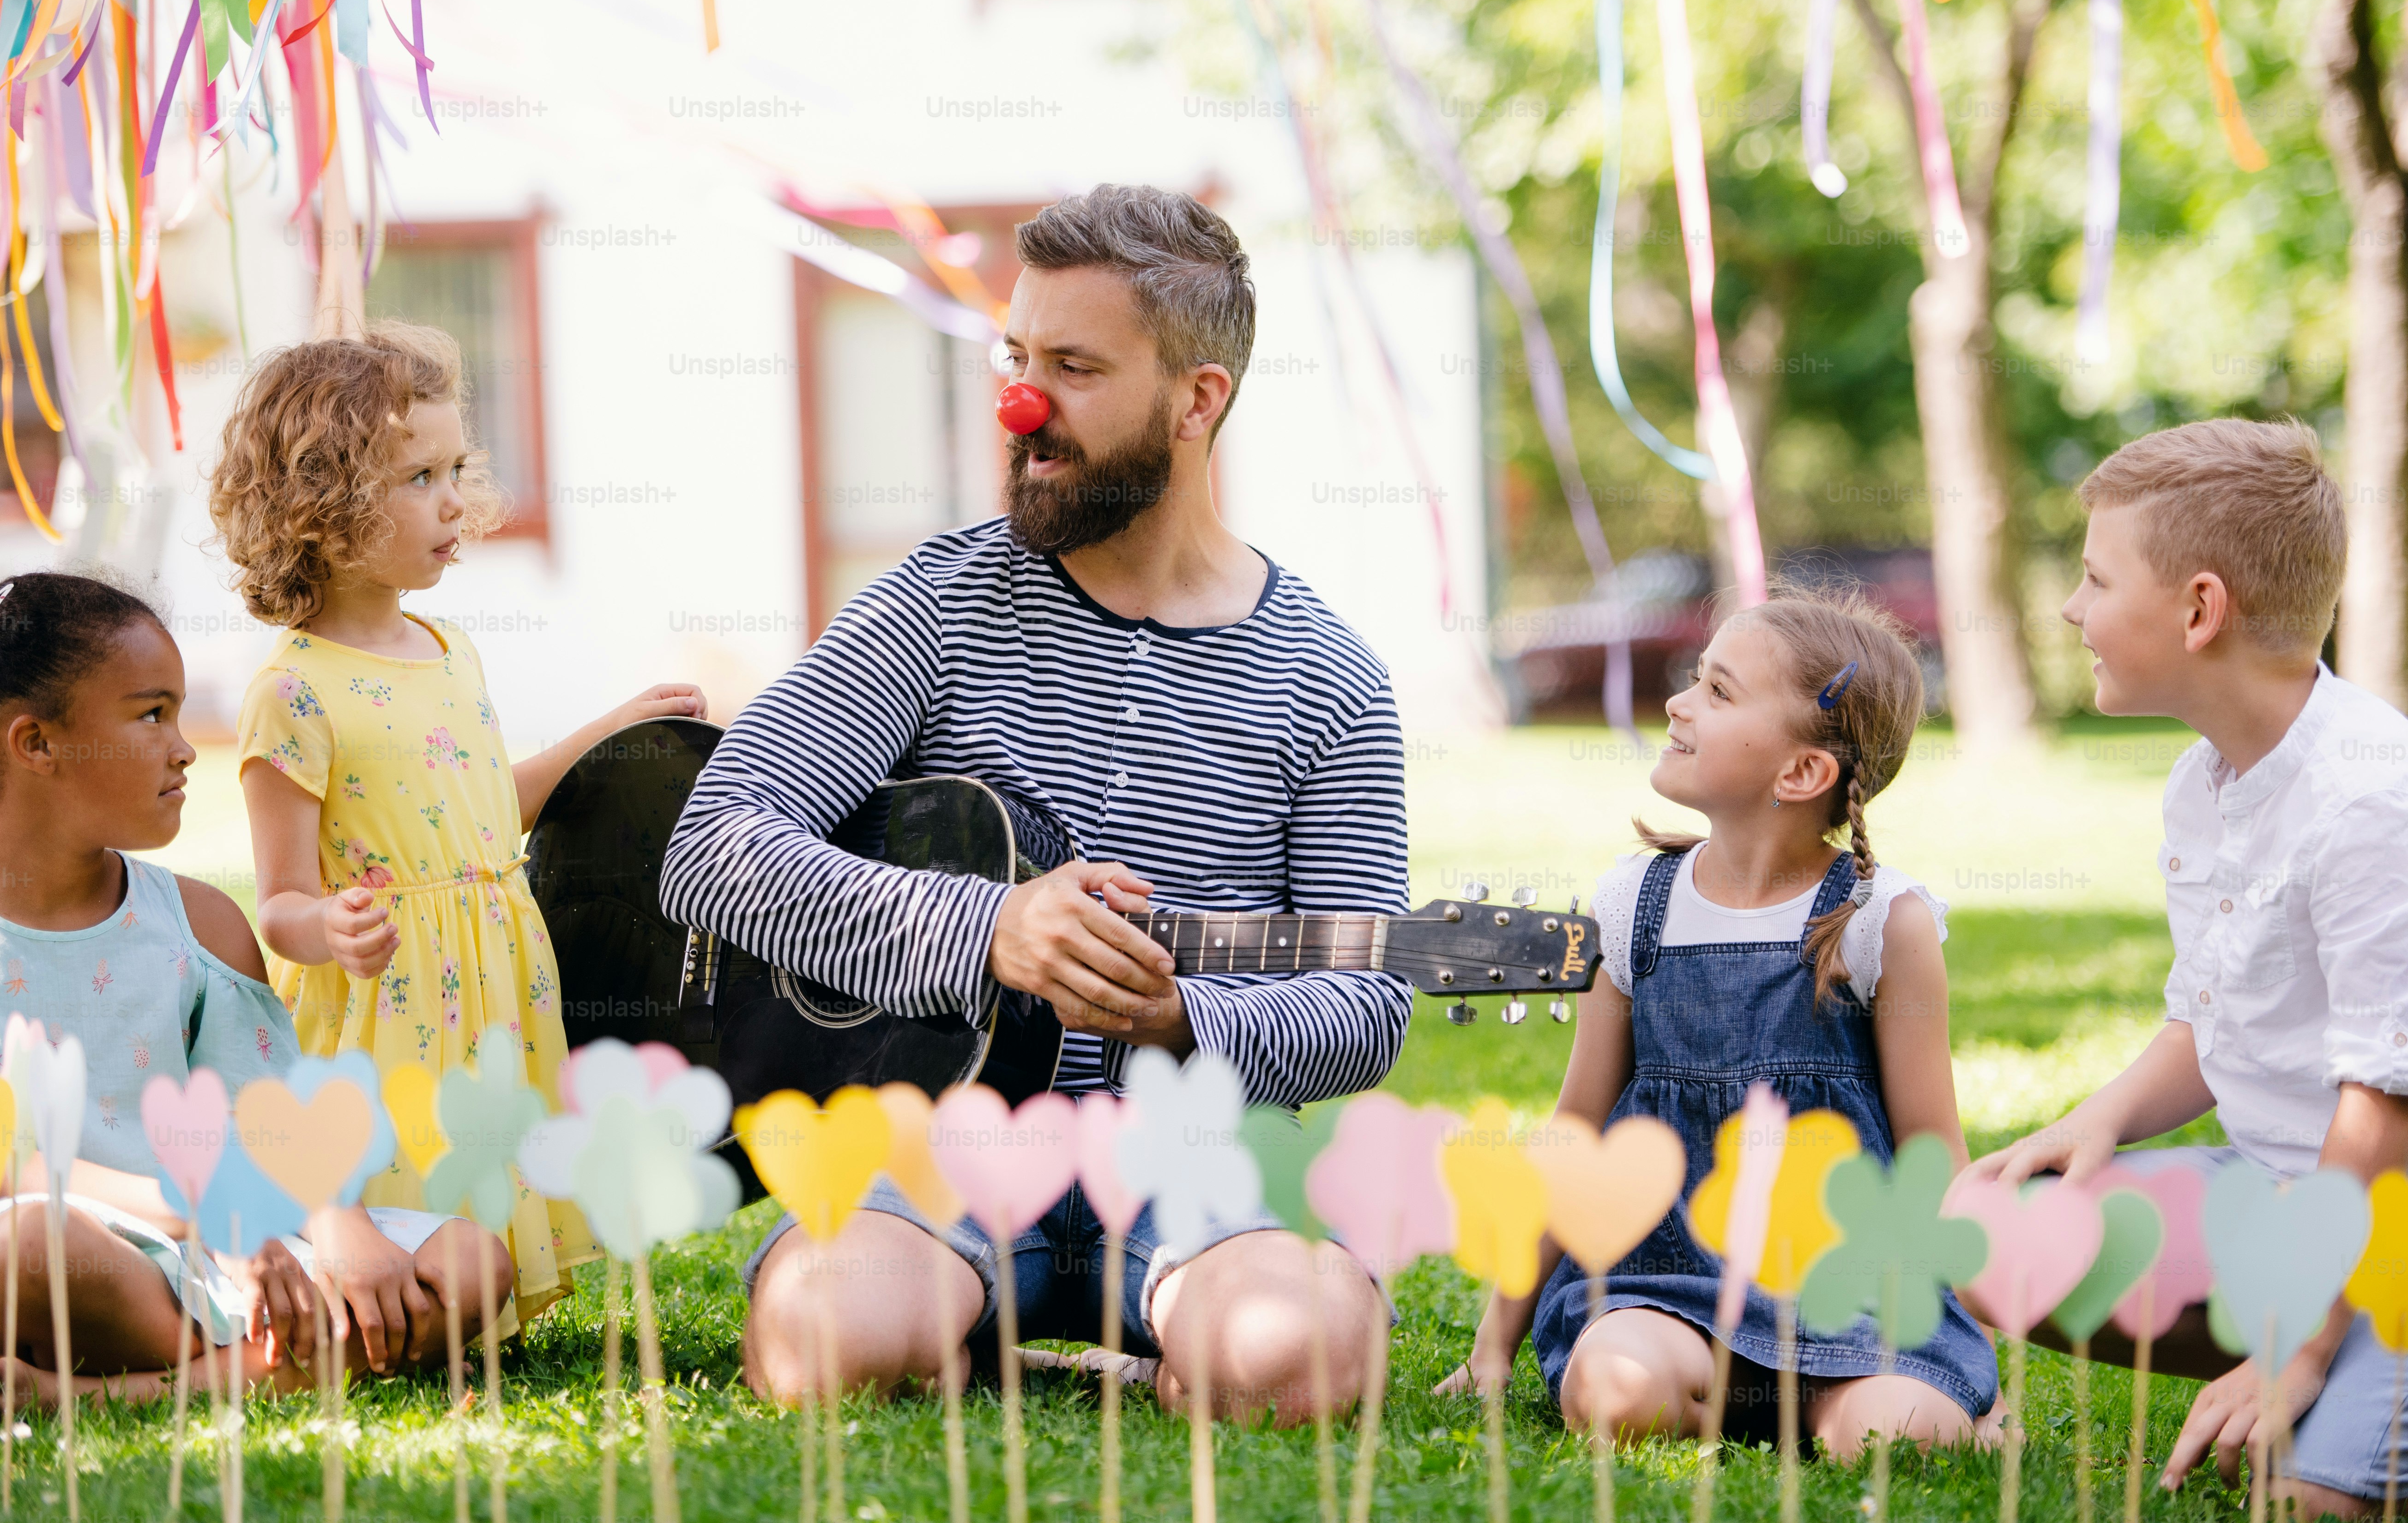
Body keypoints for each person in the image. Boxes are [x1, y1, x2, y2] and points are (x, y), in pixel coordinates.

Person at [664, 184, 1404, 1424]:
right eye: (1016, 357)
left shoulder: (1330, 678)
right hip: (934, 1140)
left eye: (1072, 367)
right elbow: (716, 843)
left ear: (1196, 399)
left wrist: (1184, 1017)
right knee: (824, 1344)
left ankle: (1117, 1344)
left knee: (1309, 1360)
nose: (1020, 404)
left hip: (1190, 1156)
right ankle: (1015, 1335)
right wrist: (986, 931)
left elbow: (1367, 1003)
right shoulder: (934, 603)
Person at [0, 572, 506, 1408]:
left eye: (180, 714)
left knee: (475, 1260)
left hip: (221, 1249)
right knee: (29, 1248)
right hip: (24, 1261)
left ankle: (115, 1392)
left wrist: (338, 1224)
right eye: (152, 715)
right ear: (37, 744)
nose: (186, 748)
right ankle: (301, 1356)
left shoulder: (202, 922)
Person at [211, 323, 706, 1336]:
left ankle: (477, 1301)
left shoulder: (449, 648)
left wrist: (611, 731)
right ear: (325, 501)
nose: (453, 502)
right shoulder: (293, 691)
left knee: (485, 1139)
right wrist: (330, 927)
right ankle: (394, 1299)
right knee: (413, 1155)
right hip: (389, 994)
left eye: (455, 469)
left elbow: (488, 808)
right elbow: (281, 900)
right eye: (417, 477)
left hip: (492, 970)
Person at [1444, 588, 1998, 1457]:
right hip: (1663, 1285)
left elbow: (1936, 1152)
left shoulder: (1882, 920)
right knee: (1613, 1389)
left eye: (1719, 692)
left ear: (1801, 774)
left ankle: (1826, 1405)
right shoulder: (1633, 904)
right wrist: (1494, 1343)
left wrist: (1981, 1366)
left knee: (1900, 1438)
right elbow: (1578, 1133)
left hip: (1854, 1293)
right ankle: (1742, 1402)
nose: (1678, 703)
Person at [1973, 419, 2408, 1519]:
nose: (2073, 608)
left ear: (2199, 609)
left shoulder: (2369, 802)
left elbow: (2384, 1102)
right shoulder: (2204, 781)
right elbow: (2213, 1012)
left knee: (2310, 1503)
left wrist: (2298, 1350)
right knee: (1979, 1227)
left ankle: (2339, 1364)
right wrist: (2100, 1118)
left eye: (2094, 577)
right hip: (2287, 1193)